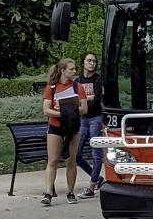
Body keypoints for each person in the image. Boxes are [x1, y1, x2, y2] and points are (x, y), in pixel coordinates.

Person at [41, 57, 85, 206]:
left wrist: (70, 110)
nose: (74, 71)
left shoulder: (77, 87)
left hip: (72, 128)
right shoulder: (51, 88)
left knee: (70, 161)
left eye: (74, 69)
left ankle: (70, 191)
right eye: (71, 69)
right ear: (63, 70)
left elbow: (84, 109)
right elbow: (47, 110)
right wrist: (62, 113)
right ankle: (48, 192)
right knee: (52, 160)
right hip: (56, 126)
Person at [74, 52, 105, 199]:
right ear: (83, 62)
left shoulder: (97, 79)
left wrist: (85, 100)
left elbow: (98, 98)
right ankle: (97, 177)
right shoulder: (78, 80)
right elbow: (75, 100)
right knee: (76, 154)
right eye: (89, 60)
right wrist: (87, 100)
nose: (92, 63)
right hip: (82, 119)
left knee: (96, 152)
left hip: (95, 118)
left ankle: (92, 186)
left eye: (94, 61)